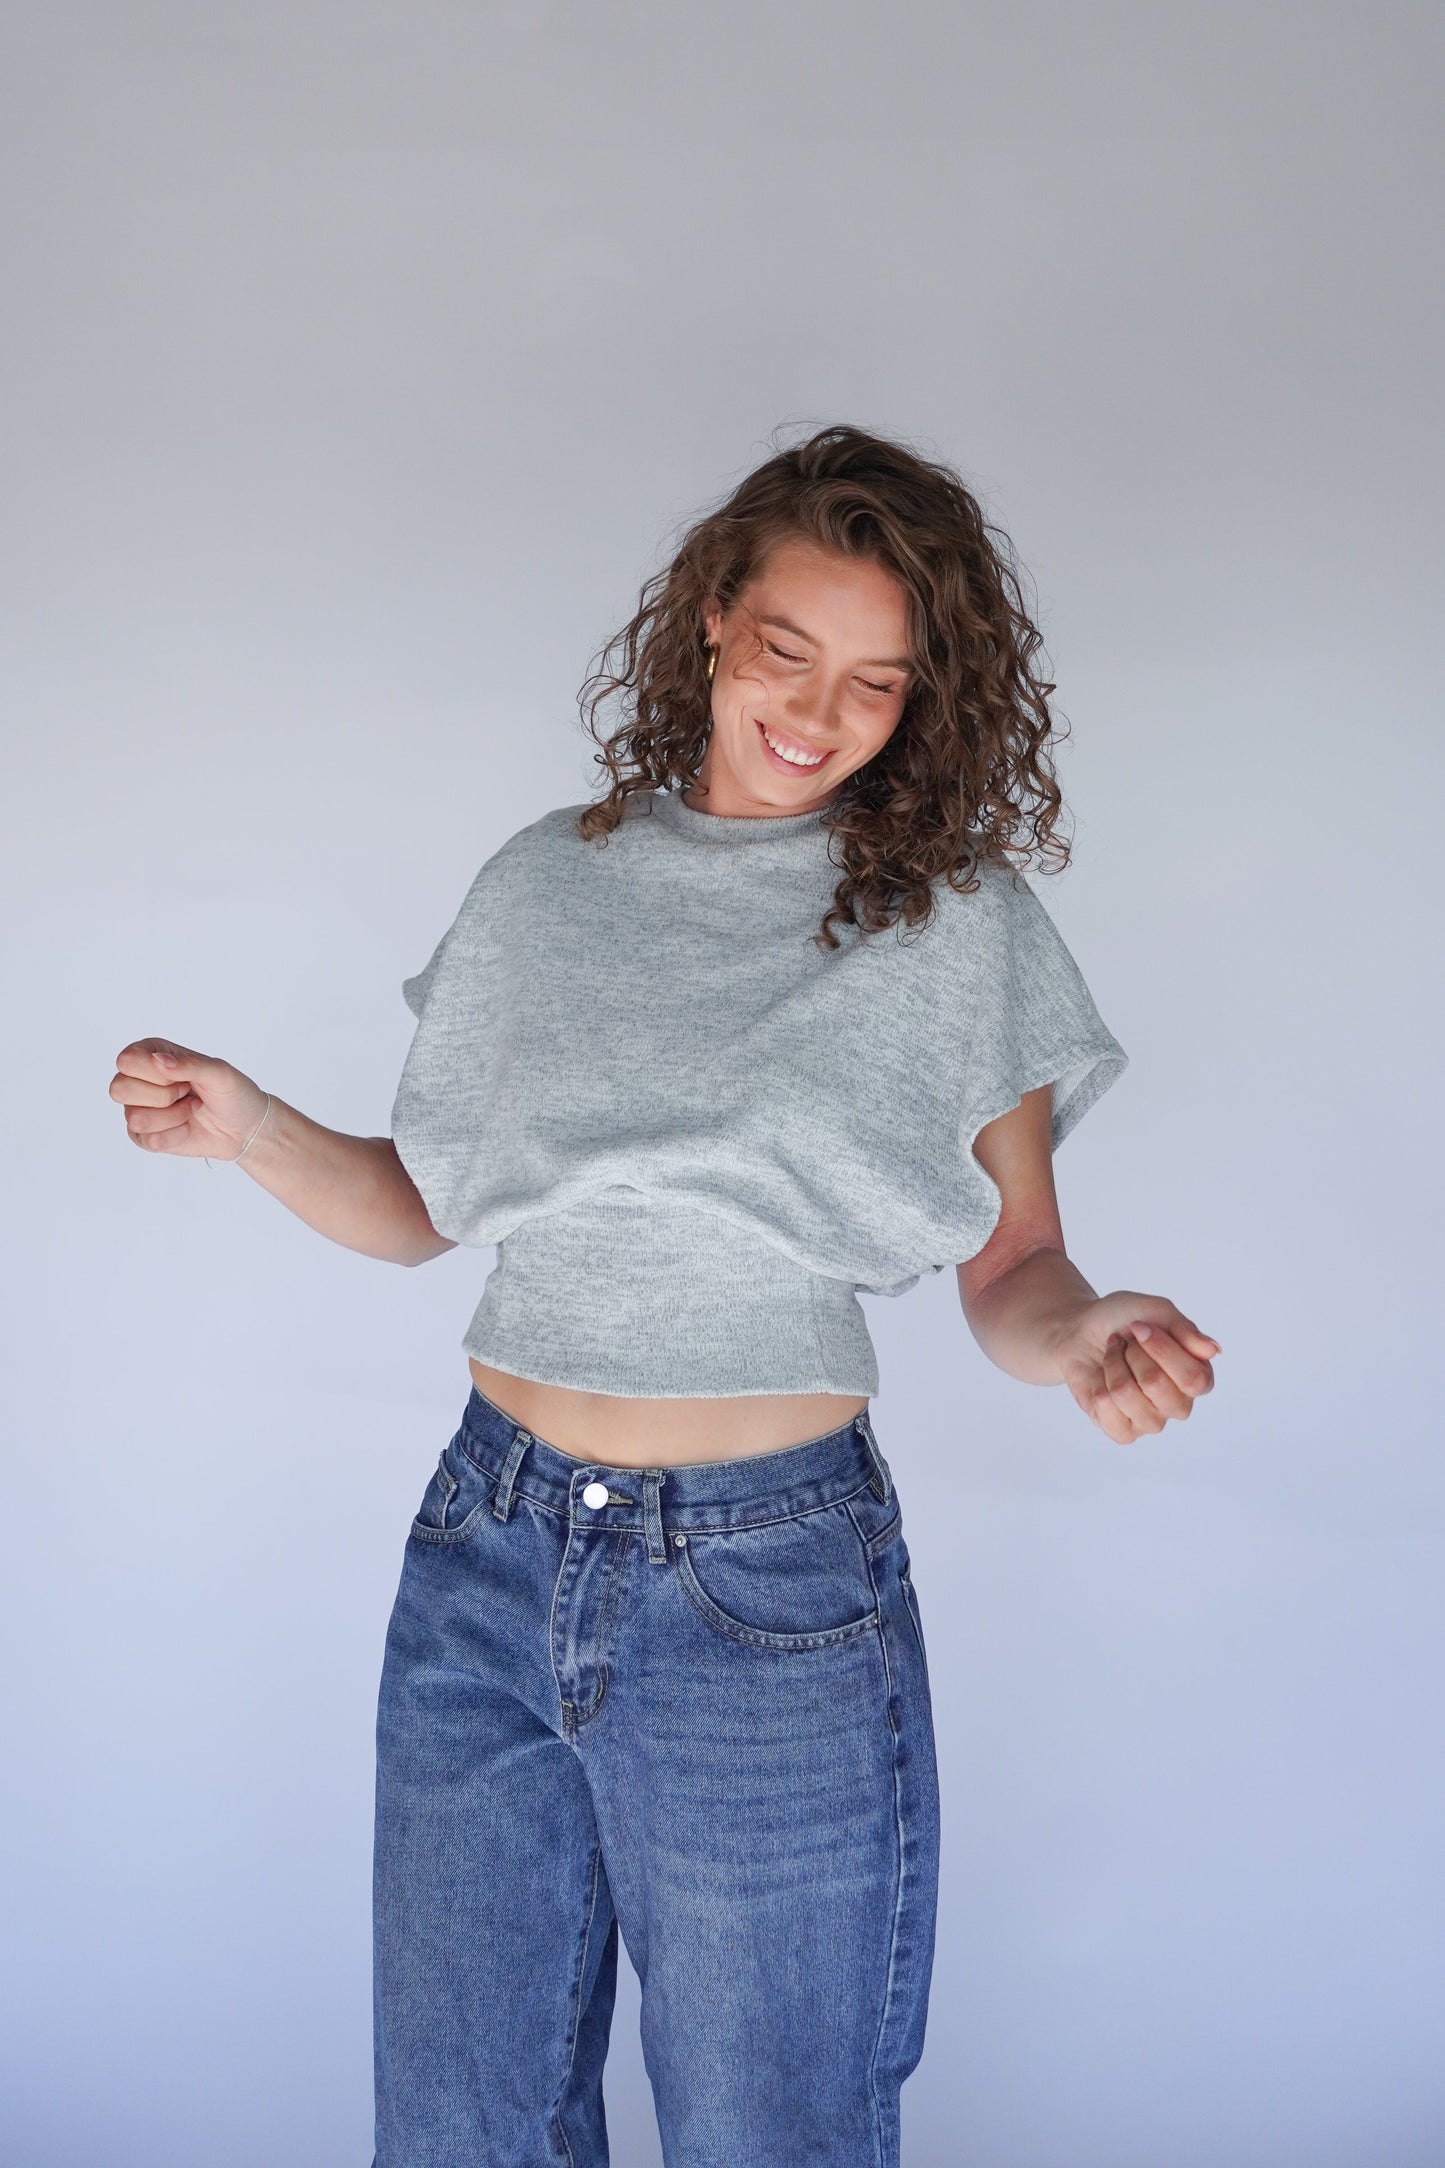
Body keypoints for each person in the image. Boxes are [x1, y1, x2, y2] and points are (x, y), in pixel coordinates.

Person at [111, 425, 1219, 2168]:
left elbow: (1012, 1264)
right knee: (461, 2124)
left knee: (768, 2129)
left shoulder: (954, 924)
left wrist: (1078, 1331)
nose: (819, 712)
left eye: (876, 684)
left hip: (765, 1586)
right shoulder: (548, 884)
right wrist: (254, 1129)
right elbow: (430, 1216)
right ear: (711, 619)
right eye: (788, 651)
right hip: (486, 1546)